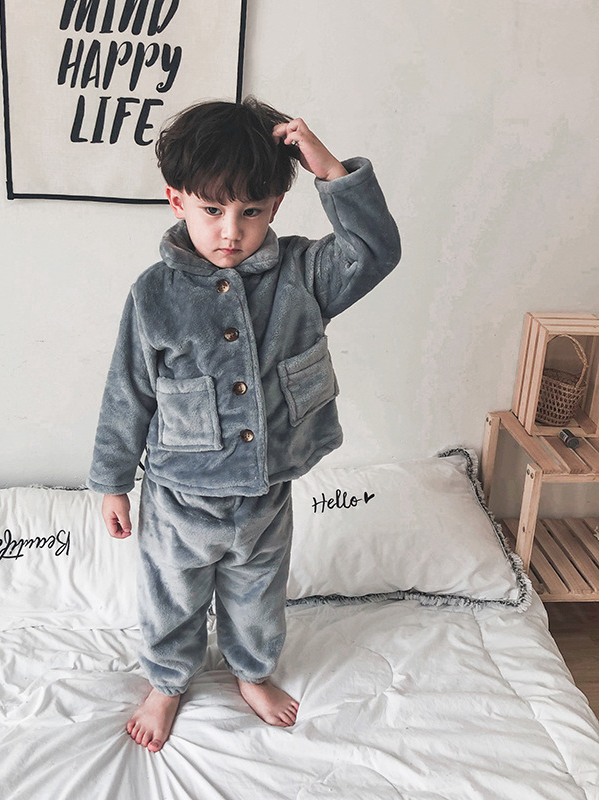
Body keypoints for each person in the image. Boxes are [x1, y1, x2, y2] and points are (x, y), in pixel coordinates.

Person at [86, 97, 400, 752]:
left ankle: (251, 673)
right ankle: (167, 682)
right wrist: (112, 483)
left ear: (276, 207)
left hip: (265, 493)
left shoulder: (304, 275)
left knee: (258, 596)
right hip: (179, 498)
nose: (231, 231)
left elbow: (375, 251)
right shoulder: (153, 295)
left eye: (251, 212)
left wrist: (329, 169)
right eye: (212, 210)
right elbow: (127, 392)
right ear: (177, 201)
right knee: (171, 598)